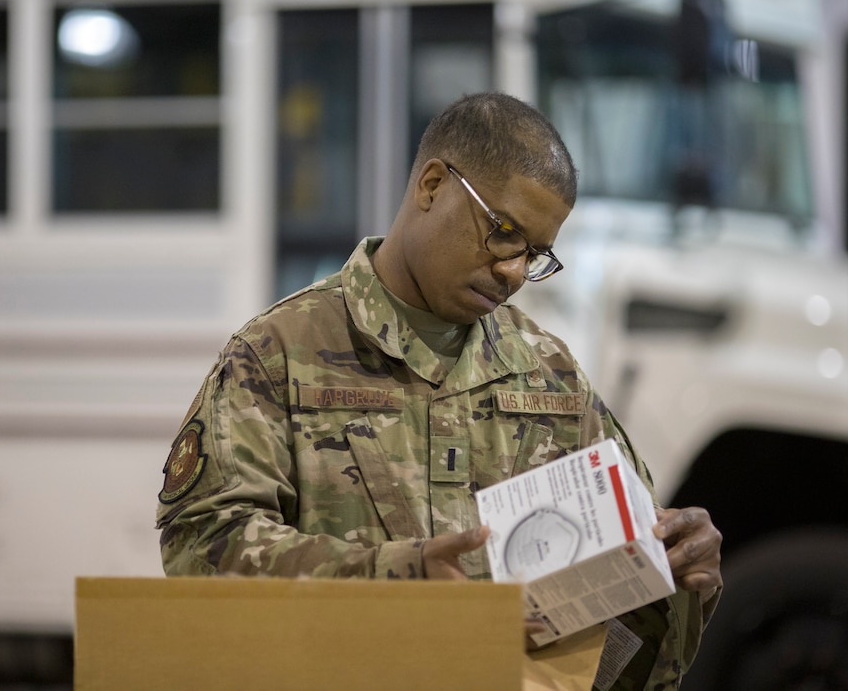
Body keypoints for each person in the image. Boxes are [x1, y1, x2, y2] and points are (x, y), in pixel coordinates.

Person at [156, 92, 722, 688]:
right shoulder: (277, 355)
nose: (514, 272)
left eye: (536, 254)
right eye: (504, 233)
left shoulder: (549, 374)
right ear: (431, 186)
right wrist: (396, 577)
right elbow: (202, 548)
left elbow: (622, 635)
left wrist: (679, 569)